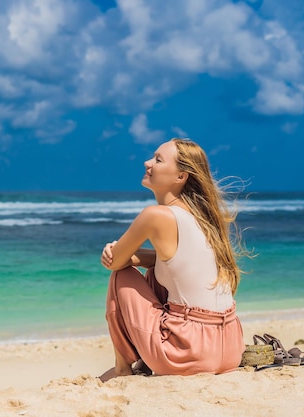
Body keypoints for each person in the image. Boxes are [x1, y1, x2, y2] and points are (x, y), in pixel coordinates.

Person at [99, 138, 246, 382]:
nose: (147, 163)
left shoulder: (155, 215)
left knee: (121, 275)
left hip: (187, 352)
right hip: (230, 348)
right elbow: (179, 260)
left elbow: (115, 262)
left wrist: (121, 256)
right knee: (154, 270)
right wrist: (137, 258)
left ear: (180, 176)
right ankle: (142, 360)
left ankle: (123, 368)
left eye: (157, 159)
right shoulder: (206, 218)